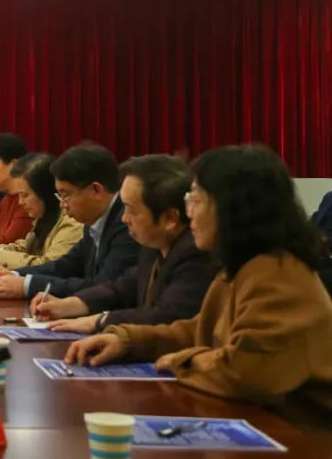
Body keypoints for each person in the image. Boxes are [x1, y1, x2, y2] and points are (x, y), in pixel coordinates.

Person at [66, 145, 332, 416]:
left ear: (233, 209)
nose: (189, 212)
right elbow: (199, 329)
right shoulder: (242, 267)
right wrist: (127, 341)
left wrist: (180, 361)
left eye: (196, 199)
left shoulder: (278, 275)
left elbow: (244, 373)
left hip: (297, 430)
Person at [35, 154, 217, 333]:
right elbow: (123, 287)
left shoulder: (195, 253)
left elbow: (166, 316)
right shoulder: (154, 245)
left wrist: (100, 321)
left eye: (131, 210)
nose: (124, 218)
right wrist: (71, 304)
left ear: (170, 218)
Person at [0, 143, 139, 300]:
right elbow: (66, 265)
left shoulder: (126, 225)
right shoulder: (93, 221)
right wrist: (15, 274)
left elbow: (102, 287)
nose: (62, 204)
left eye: (66, 195)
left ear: (96, 190)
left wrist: (27, 285)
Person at [0, 153, 83, 273]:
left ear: (45, 193)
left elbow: (49, 265)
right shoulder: (44, 217)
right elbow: (25, 247)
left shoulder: (71, 222)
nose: (20, 202)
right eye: (18, 195)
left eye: (25, 195)